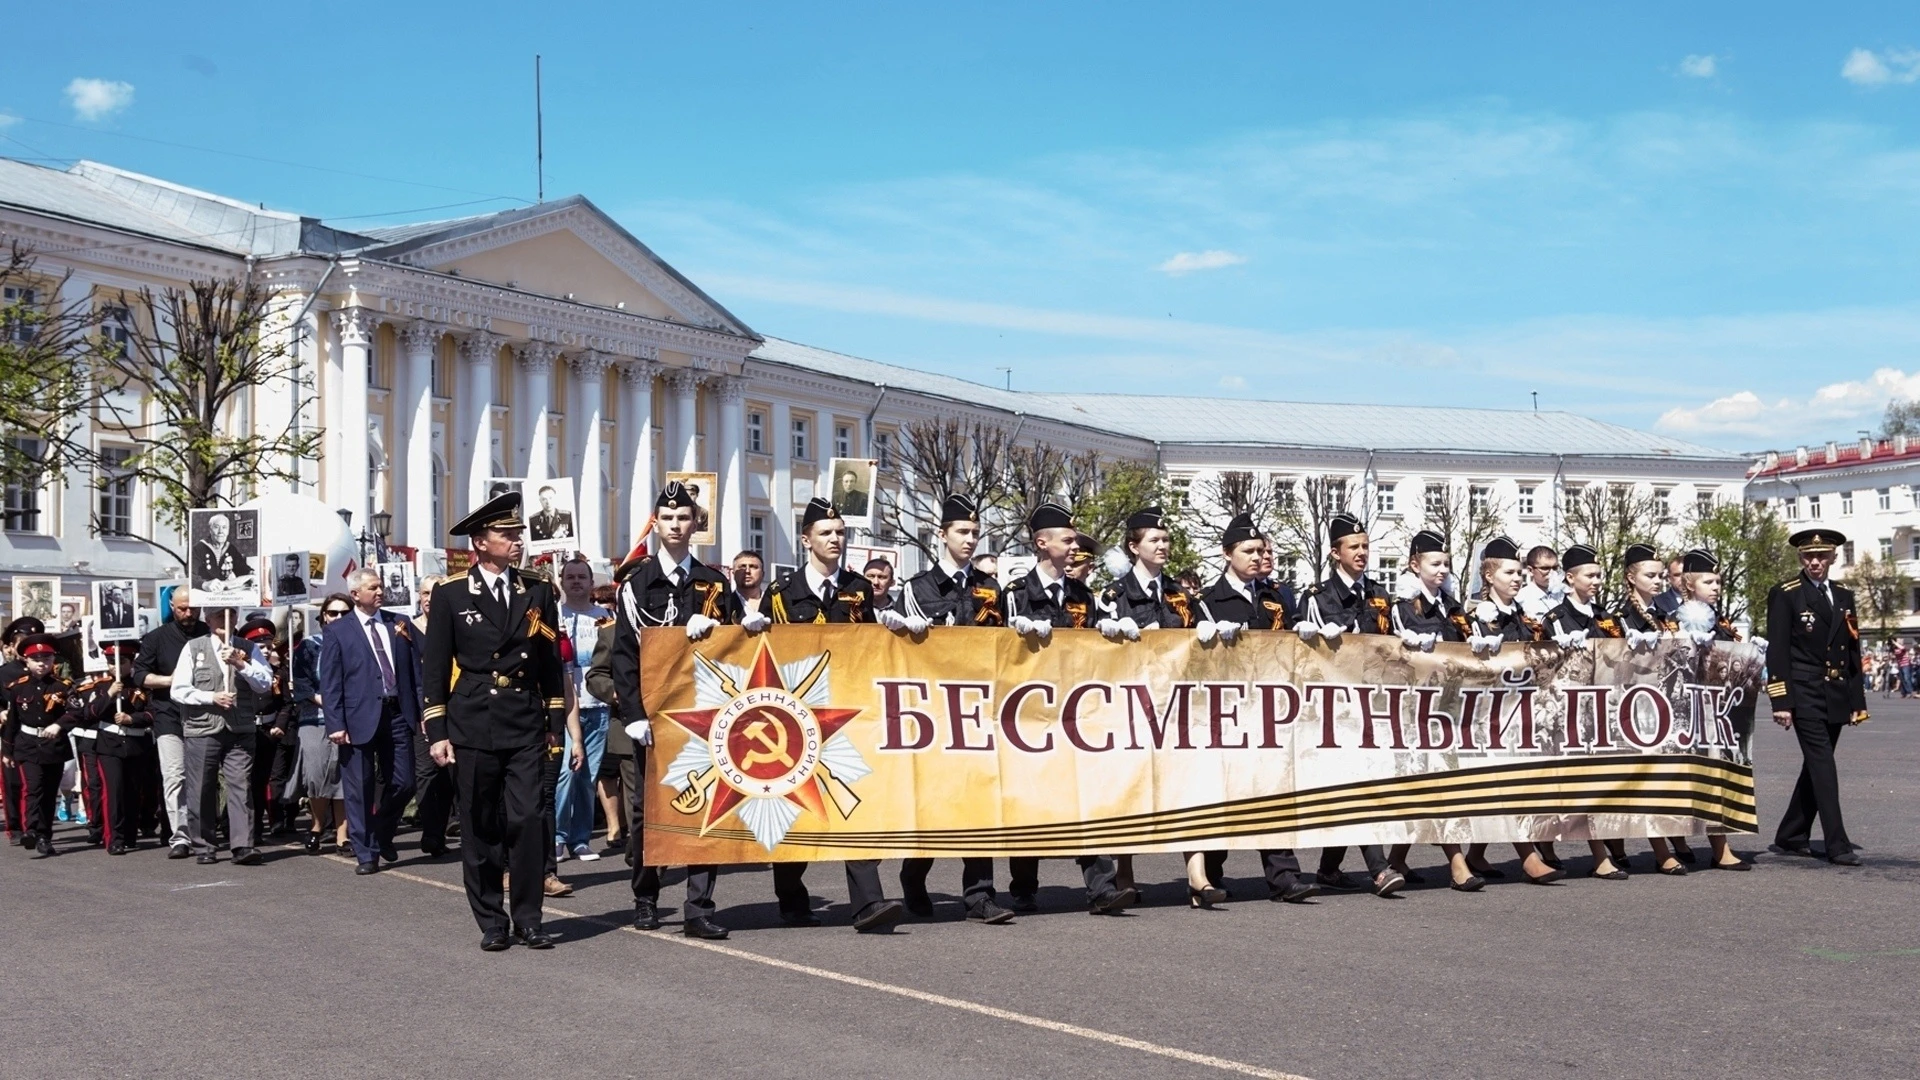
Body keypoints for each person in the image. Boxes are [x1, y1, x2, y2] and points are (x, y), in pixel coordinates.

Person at [608, 480, 757, 939]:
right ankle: (646, 896)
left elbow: (733, 643)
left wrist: (744, 626)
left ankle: (699, 906)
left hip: (705, 712)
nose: (675, 525)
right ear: (656, 524)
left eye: (683, 518)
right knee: (648, 809)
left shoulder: (713, 582)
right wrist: (633, 713)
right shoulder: (636, 582)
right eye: (667, 518)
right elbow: (624, 654)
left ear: (696, 524)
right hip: (654, 715)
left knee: (709, 806)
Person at [422, 491, 568, 951]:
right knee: (480, 822)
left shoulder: (537, 589)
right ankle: (491, 919)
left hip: (524, 717)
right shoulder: (450, 593)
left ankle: (528, 918)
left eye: (518, 534)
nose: (517, 542)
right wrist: (437, 730)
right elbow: (435, 666)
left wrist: (555, 720)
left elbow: (548, 661)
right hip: (473, 718)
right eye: (506, 535)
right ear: (480, 543)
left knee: (527, 819)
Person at [759, 497, 906, 932]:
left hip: (848, 712)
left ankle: (868, 903)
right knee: (795, 810)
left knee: (854, 804)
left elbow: (867, 644)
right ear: (806, 540)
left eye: (840, 532)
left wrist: (893, 629)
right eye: (826, 533)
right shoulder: (782, 593)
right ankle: (790, 894)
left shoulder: (859, 588)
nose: (835, 539)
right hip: (796, 717)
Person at [1000, 501, 1136, 916]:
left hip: (1076, 715)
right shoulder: (1017, 594)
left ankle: (1101, 887)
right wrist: (1017, 632)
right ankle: (1023, 885)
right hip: (1029, 717)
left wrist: (1110, 633)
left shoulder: (1081, 594)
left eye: (1074, 538)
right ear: (1042, 543)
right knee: (1030, 802)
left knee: (1088, 798)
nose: (1075, 544)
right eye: (1067, 538)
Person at [893, 494, 1017, 924]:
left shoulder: (990, 588)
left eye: (975, 533)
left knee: (981, 801)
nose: (970, 540)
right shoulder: (916, 589)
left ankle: (980, 894)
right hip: (931, 714)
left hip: (980, 710)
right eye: (962, 532)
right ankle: (914, 873)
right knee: (933, 806)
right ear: (941, 534)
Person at [1194, 511, 1319, 903]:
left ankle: (1284, 877)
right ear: (1226, 554)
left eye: (1260, 550)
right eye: (1247, 550)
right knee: (1224, 794)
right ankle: (1210, 875)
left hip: (1270, 709)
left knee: (1273, 792)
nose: (1255, 556)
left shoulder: (1274, 597)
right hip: (1226, 712)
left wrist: (1306, 632)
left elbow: (1292, 635)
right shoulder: (1209, 602)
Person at [1098, 505, 1216, 906]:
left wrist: (1211, 632)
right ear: (1134, 547)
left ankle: (1197, 876)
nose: (1163, 545)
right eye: (1155, 540)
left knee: (1188, 789)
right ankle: (1125, 871)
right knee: (1130, 789)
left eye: (1166, 540)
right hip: (1131, 706)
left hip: (1178, 707)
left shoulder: (1180, 595)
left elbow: (1203, 638)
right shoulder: (1113, 595)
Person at [1295, 513, 1405, 898]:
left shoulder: (1378, 595)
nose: (1361, 553)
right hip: (1334, 708)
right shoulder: (1316, 598)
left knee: (1356, 784)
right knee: (1357, 785)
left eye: (1365, 546)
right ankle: (1378, 869)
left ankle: (1329, 867)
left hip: (1372, 704)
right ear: (1334, 553)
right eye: (1353, 547)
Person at [1461, 535, 1563, 886]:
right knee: (1506, 784)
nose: (1518, 578)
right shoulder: (1476, 616)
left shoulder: (1520, 615)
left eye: (1520, 572)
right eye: (1510, 572)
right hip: (1485, 714)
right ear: (1489, 576)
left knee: (1508, 785)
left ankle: (1472, 855)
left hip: (1519, 710)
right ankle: (1529, 857)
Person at [1385, 528, 1483, 891]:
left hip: (1448, 706)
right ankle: (1457, 862)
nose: (1442, 570)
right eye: (1434, 563)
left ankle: (1397, 859)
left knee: (1433, 784)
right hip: (1414, 709)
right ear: (1415, 565)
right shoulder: (1400, 608)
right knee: (1434, 782)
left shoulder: (1452, 607)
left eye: (1446, 563)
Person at [1767, 528, 1868, 866]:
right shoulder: (1786, 594)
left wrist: (1858, 701)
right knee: (1824, 765)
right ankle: (1837, 843)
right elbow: (1777, 650)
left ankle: (1791, 834)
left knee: (1815, 767)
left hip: (1836, 692)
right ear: (1800, 558)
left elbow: (1852, 649)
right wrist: (1781, 702)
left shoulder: (1843, 594)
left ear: (1833, 557)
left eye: (1822, 556)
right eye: (1809, 557)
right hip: (1804, 690)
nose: (1815, 562)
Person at [319, 570, 422, 875]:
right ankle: (366, 852)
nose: (380, 592)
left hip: (397, 713)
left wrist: (422, 712)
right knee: (359, 787)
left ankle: (381, 830)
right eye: (373, 588)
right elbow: (331, 681)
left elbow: (414, 671)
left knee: (405, 782)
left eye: (381, 587)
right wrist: (335, 723)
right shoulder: (339, 631)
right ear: (355, 594)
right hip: (357, 718)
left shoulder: (397, 623)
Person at [1544, 544, 1633, 880]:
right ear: (1570, 578)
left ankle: (1600, 855)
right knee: (1563, 788)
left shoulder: (1606, 620)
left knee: (1593, 785)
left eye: (1598, 575)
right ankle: (1548, 848)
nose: (1596, 581)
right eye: (1589, 575)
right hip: (1566, 715)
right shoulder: (1554, 619)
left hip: (1601, 713)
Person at [170, 611, 273, 866]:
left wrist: (241, 665)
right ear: (208, 618)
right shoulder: (194, 648)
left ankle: (242, 845)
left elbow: (265, 683)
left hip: (240, 729)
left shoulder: (248, 649)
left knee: (241, 785)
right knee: (202, 787)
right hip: (203, 728)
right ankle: (204, 845)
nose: (222, 620)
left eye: (228, 614)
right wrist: (210, 697)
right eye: (217, 615)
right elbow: (179, 689)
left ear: (236, 617)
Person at [1673, 547, 1752, 872]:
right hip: (1683, 711)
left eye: (1718, 581)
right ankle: (1673, 843)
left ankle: (1720, 846)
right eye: (1709, 581)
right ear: (1690, 584)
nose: (1716, 587)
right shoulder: (1674, 619)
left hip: (1715, 710)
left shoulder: (1720, 621)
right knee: (1683, 780)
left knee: (1717, 773)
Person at [1616, 541, 1692, 874]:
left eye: (1661, 575)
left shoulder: (1665, 614)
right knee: (1641, 779)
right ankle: (1660, 849)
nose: (1659, 581)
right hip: (1631, 706)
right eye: (1651, 575)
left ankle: (1665, 842)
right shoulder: (1617, 616)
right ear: (1631, 578)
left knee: (1661, 778)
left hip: (1663, 704)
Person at [135, 592, 211, 859]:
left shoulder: (211, 632)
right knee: (175, 776)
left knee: (202, 779)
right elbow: (141, 676)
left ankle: (203, 831)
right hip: (169, 715)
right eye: (182, 609)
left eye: (193, 608)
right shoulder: (156, 638)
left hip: (205, 715)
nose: (188, 614)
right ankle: (180, 836)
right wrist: (174, 681)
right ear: (171, 606)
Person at [555, 558, 610, 864]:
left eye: (581, 577)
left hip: (598, 707)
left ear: (591, 583)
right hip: (566, 707)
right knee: (566, 773)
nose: (576, 582)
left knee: (587, 778)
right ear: (562, 582)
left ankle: (580, 839)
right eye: (570, 577)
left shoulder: (604, 617)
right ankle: (558, 837)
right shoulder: (555, 615)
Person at [74, 640, 153, 855]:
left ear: (131, 661)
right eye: (110, 662)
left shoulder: (142, 685)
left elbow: (153, 713)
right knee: (114, 793)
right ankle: (114, 838)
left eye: (121, 662)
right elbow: (88, 714)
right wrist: (109, 694)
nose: (115, 667)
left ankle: (129, 835)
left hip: (136, 743)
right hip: (109, 745)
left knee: (133, 792)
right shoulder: (100, 687)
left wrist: (132, 718)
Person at [2, 633, 74, 856]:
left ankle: (44, 836)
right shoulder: (17, 688)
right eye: (36, 659)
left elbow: (75, 713)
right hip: (27, 744)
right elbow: (12, 722)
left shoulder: (63, 687)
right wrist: (7, 750)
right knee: (33, 788)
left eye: (47, 659)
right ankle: (31, 830)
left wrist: (60, 725)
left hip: (53, 744)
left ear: (54, 661)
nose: (42, 664)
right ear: (26, 660)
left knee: (49, 792)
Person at [295, 598, 348, 854]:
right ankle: (317, 824)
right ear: (323, 616)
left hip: (350, 718)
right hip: (315, 717)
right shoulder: (309, 645)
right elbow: (301, 684)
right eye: (332, 613)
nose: (337, 617)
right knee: (317, 773)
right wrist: (325, 701)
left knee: (344, 775)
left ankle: (342, 834)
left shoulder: (357, 643)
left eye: (344, 613)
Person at [411, 576, 457, 857]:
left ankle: (449, 825)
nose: (430, 598)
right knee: (427, 773)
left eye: (436, 592)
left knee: (451, 774)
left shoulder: (455, 625)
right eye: (426, 592)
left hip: (456, 709)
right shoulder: (408, 630)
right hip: (423, 712)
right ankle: (430, 833)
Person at [1, 616, 43, 845]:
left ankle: (34, 826)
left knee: (35, 783)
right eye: (22, 641)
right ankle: (15, 826)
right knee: (13, 782)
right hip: (11, 734)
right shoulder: (4, 672)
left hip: (37, 734)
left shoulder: (42, 670)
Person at [192, 513, 255, 591]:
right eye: (216, 527)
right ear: (210, 530)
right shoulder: (199, 548)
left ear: (228, 531)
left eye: (224, 527)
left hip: (224, 592)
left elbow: (241, 568)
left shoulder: (231, 548)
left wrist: (250, 573)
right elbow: (191, 575)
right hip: (205, 593)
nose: (220, 531)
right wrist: (203, 584)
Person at [1515, 545, 1563, 621]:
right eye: (1545, 568)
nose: (1552, 573)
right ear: (1530, 570)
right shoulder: (1521, 600)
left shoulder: (1562, 596)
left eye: (1555, 568)